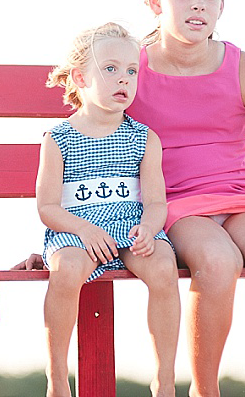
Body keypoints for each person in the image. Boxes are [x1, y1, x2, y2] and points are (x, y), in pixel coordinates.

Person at [19, 0, 245, 397]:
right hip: (171, 205)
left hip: (241, 198)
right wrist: (67, 235)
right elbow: (83, 130)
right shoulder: (132, 68)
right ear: (156, 2)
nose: (199, 4)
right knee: (217, 261)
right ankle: (204, 390)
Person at [36, 22, 181, 397]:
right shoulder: (58, 139)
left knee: (164, 268)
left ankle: (165, 379)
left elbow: (156, 202)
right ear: (81, 79)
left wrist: (149, 227)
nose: (125, 79)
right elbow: (48, 207)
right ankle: (57, 380)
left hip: (131, 228)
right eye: (111, 69)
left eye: (132, 71)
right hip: (78, 231)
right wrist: (83, 230)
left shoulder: (143, 138)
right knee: (66, 269)